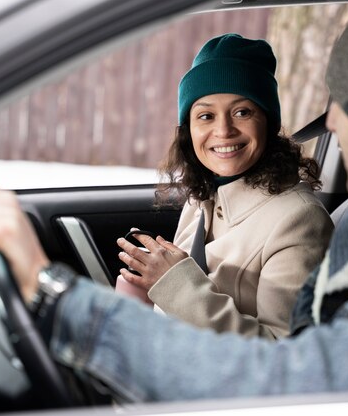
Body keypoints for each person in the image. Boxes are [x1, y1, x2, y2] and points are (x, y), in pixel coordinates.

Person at [0, 0, 348, 403]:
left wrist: (54, 292)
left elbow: (286, 380)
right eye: (204, 114)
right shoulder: (211, 199)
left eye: (344, 102)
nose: (332, 125)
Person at [114, 33, 333, 338]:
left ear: (268, 123)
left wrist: (174, 284)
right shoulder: (202, 198)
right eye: (205, 115)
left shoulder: (299, 219)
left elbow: (283, 354)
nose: (224, 130)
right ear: (188, 130)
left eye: (242, 112)